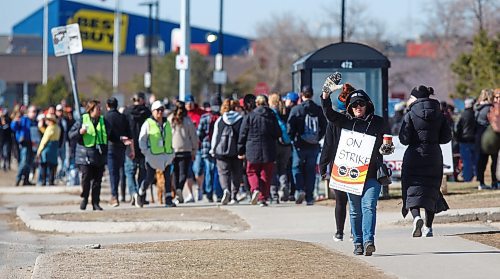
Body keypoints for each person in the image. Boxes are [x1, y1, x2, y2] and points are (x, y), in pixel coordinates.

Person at [321, 86, 391, 256]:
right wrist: (326, 94)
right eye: (354, 105)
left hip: (373, 172)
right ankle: (358, 242)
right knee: (354, 209)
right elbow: (329, 113)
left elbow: (387, 143)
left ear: (367, 105)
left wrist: (386, 148)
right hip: (351, 175)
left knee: (369, 206)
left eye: (361, 104)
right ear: (349, 107)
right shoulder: (344, 121)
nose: (358, 107)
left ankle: (369, 241)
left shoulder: (378, 122)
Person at [399, 85, 452, 238]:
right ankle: (428, 227)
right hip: (434, 156)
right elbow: (446, 137)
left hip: (414, 156)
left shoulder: (409, 114)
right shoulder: (439, 114)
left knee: (411, 188)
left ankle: (416, 218)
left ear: (415, 98)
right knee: (431, 190)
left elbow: (404, 139)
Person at [319, 83, 355, 241]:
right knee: (355, 202)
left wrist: (323, 166)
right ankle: (355, 232)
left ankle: (339, 232)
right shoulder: (359, 121)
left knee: (340, 201)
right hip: (357, 164)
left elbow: (327, 146)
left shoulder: (334, 122)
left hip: (338, 164)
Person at [238, 95, 280, 207]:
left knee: (251, 171)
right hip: (268, 149)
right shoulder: (271, 115)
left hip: (252, 148)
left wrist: (240, 149)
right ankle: (263, 199)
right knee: (266, 174)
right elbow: (278, 133)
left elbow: (243, 134)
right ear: (266, 103)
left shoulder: (250, 116)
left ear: (256, 103)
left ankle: (255, 188)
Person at [288, 85, 327, 205]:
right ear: (312, 94)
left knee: (296, 168)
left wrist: (293, 139)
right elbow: (324, 126)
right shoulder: (318, 109)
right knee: (310, 170)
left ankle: (300, 190)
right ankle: (309, 197)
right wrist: (317, 138)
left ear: (302, 95)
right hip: (313, 145)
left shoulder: (296, 109)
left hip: (299, 145)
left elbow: (290, 128)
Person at [69, 100, 110, 210]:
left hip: (99, 154)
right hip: (85, 155)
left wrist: (121, 139)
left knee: (97, 181)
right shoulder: (82, 120)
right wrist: (80, 132)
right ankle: (85, 198)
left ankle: (95, 202)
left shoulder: (103, 121)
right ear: (91, 110)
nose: (100, 110)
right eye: (98, 108)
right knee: (86, 179)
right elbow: (71, 135)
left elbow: (110, 134)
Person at [138, 100, 176, 207]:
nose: (160, 112)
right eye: (158, 110)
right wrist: (146, 152)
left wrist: (172, 152)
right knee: (150, 178)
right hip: (153, 156)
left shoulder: (167, 123)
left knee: (168, 177)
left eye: (162, 110)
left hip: (166, 155)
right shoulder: (148, 123)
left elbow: (170, 138)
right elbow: (142, 139)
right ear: (153, 111)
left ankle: (168, 199)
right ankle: (141, 192)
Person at [211, 99, 243, 205]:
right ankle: (234, 196)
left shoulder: (220, 120)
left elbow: (216, 136)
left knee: (223, 173)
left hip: (221, 151)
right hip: (237, 151)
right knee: (236, 174)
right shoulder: (241, 119)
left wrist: (213, 149)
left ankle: (226, 190)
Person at [123, 92, 151, 206]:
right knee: (143, 172)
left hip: (130, 146)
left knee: (130, 172)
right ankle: (140, 192)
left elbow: (123, 129)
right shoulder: (148, 113)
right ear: (142, 100)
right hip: (144, 146)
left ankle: (134, 193)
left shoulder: (126, 112)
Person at [104, 97, 133, 207]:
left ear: (107, 105)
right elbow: (129, 133)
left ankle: (114, 196)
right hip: (122, 147)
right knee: (122, 172)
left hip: (110, 147)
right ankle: (123, 194)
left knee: (113, 172)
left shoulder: (105, 117)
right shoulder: (123, 117)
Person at [168, 101, 199, 204]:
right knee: (183, 173)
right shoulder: (188, 120)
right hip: (186, 150)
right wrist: (194, 149)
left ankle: (177, 192)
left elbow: (167, 136)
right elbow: (193, 136)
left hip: (173, 150)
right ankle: (179, 189)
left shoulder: (170, 120)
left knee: (175, 173)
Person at [197, 95, 223, 202]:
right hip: (220, 148)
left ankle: (209, 193)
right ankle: (218, 193)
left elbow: (199, 134)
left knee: (209, 171)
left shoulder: (205, 118)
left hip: (207, 148)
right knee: (217, 171)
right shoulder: (223, 118)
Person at [269, 93, 292, 202]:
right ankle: (284, 185)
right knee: (283, 168)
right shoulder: (286, 111)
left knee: (273, 169)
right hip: (287, 144)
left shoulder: (271, 112)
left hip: (275, 143)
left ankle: (274, 194)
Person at [185, 95, 207, 199]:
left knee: (198, 169)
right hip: (185, 147)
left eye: (191, 103)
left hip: (198, 147)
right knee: (187, 171)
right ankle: (190, 194)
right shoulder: (182, 115)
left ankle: (199, 188)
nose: (189, 105)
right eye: (187, 103)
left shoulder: (201, 113)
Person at [475, 89, 497, 190]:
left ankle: (481, 182)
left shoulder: (477, 108)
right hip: (491, 137)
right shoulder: (491, 108)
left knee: (481, 162)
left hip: (479, 137)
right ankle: (494, 182)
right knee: (495, 161)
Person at [10, 105, 38, 186]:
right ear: (28, 112)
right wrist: (15, 121)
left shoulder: (35, 121)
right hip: (24, 143)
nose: (34, 113)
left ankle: (26, 180)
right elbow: (14, 127)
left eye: (35, 112)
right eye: (32, 111)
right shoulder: (24, 119)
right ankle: (18, 179)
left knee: (29, 162)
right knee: (24, 161)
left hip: (32, 143)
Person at [455, 98, 477, 182]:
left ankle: (467, 178)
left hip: (464, 141)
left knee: (466, 161)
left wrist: (458, 138)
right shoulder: (475, 114)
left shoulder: (462, 115)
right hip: (474, 140)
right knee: (475, 160)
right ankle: (476, 177)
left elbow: (457, 128)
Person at [36, 114, 61, 186]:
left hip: (48, 148)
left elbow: (44, 139)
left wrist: (39, 150)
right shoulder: (57, 128)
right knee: (52, 166)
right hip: (54, 148)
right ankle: (51, 181)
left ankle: (43, 181)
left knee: (44, 165)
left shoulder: (50, 128)